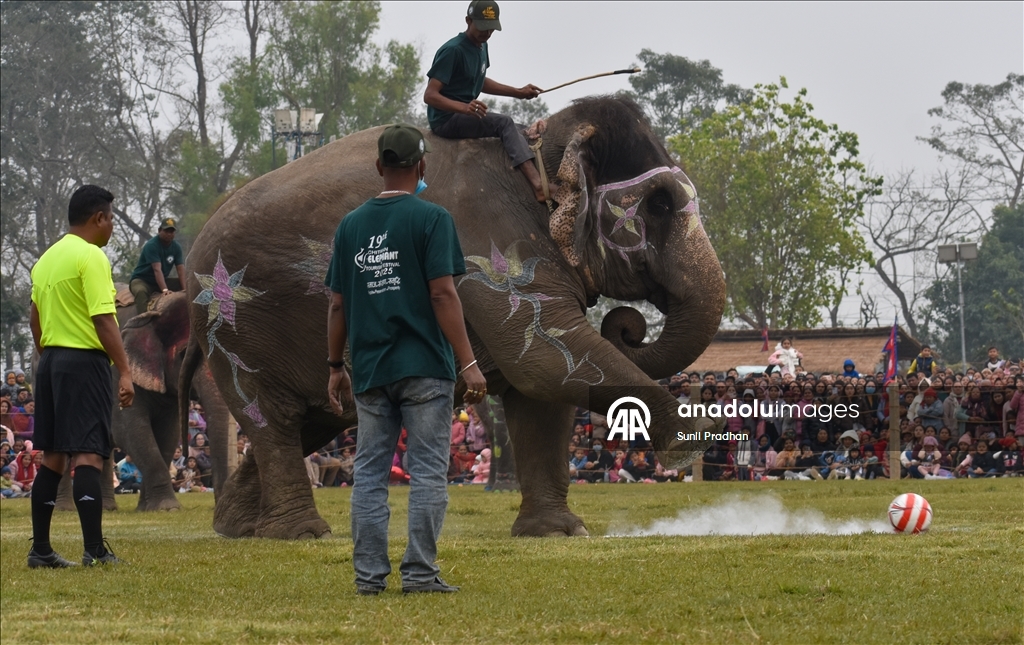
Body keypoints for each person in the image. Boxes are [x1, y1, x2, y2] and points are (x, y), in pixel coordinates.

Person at [325, 124, 486, 595]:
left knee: (369, 475)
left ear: (379, 165)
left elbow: (336, 305)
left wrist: (335, 367)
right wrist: (469, 362)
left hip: (371, 369)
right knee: (428, 472)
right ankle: (418, 574)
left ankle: (368, 578)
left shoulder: (350, 226)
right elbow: (443, 293)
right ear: (422, 165)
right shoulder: (432, 218)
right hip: (425, 368)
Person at [27, 185, 134, 568]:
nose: (112, 227)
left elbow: (35, 320)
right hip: (84, 361)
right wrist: (125, 371)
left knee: (54, 456)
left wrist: (52, 361)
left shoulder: (46, 259)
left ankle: (41, 550)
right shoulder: (91, 256)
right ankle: (95, 550)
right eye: (111, 219)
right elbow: (103, 319)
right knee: (88, 453)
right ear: (98, 218)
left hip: (50, 361)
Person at [422, 1, 548, 203]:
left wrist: (518, 92)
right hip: (447, 119)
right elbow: (430, 95)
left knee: (520, 129)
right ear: (468, 21)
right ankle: (538, 185)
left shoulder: (482, 46)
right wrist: (464, 107)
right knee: (504, 123)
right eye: (482, 27)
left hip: (466, 115)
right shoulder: (453, 50)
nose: (487, 33)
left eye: (491, 28)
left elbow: (479, 80)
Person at [128, 217, 186, 316]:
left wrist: (185, 290)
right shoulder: (152, 245)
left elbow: (180, 270)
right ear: (159, 230)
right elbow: (157, 269)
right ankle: (143, 319)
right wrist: (165, 290)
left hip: (160, 281)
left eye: (171, 231)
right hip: (143, 280)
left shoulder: (176, 247)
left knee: (187, 285)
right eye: (166, 231)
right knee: (140, 292)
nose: (169, 234)